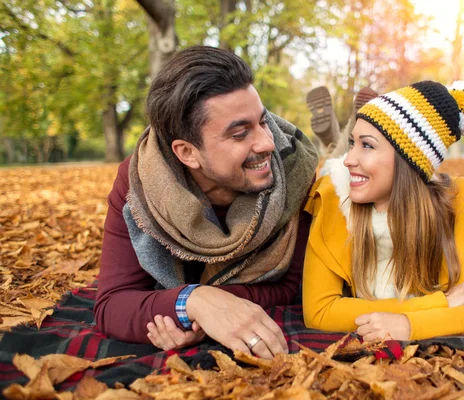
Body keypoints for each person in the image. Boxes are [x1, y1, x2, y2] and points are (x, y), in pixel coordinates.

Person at [94, 45, 319, 359]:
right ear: (187, 153)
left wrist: (202, 308)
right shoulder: (140, 185)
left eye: (263, 122)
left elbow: (288, 284)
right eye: (240, 134)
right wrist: (196, 303)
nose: (268, 143)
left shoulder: (295, 170)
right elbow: (112, 304)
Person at [302, 80, 464, 341]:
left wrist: (411, 326)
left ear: (408, 161)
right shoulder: (335, 200)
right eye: (354, 143)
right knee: (334, 164)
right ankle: (333, 140)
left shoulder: (463, 205)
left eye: (367, 145)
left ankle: (336, 139)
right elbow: (319, 312)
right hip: (352, 182)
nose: (350, 158)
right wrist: (437, 306)